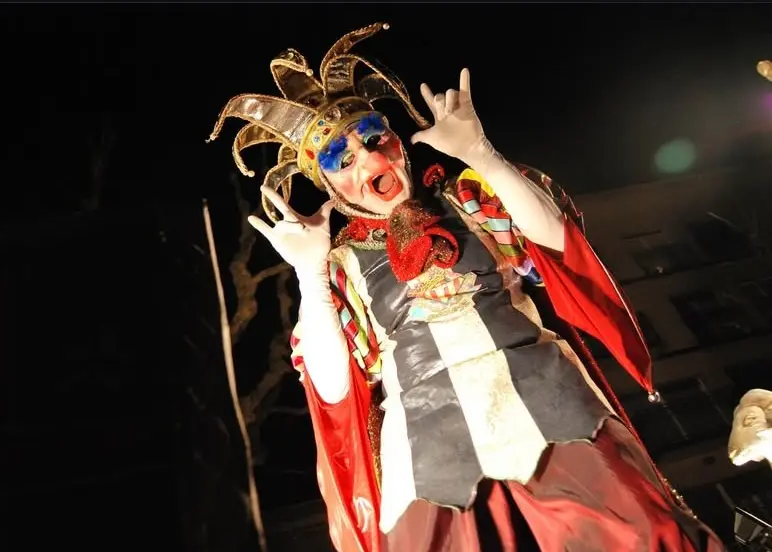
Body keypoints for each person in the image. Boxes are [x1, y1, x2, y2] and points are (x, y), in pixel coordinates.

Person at [208, 22, 725, 552]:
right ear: (329, 185)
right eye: (343, 160)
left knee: (641, 537)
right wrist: (308, 272)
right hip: (427, 453)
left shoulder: (468, 198)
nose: (371, 159)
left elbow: (557, 244)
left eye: (374, 137)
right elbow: (334, 389)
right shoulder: (340, 264)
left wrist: (481, 153)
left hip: (549, 406)